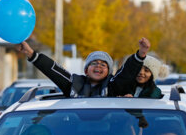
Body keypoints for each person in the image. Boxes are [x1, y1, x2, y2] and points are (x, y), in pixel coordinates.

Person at [18, 38, 150, 97]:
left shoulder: (113, 86)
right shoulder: (73, 84)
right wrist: (31, 53)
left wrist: (141, 54)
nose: (98, 66)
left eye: (103, 65)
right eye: (94, 63)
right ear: (86, 70)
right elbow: (54, 71)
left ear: (109, 72)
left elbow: (126, 72)